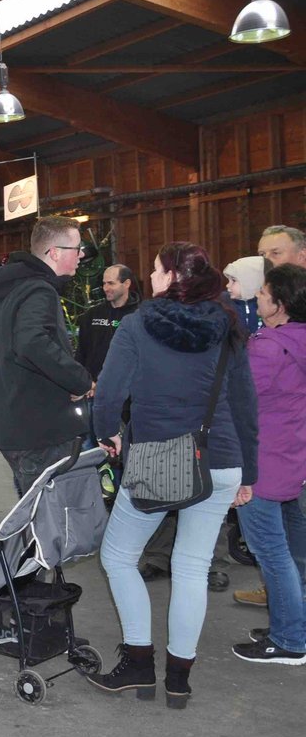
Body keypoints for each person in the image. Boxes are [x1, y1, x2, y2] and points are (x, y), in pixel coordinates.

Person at [87, 242, 257, 709]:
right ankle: (179, 679)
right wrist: (250, 472)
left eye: (157, 271)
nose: (151, 278)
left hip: (156, 460)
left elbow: (108, 395)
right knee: (192, 568)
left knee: (119, 557)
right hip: (220, 459)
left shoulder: (138, 324)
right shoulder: (227, 325)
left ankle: (139, 662)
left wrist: (107, 436)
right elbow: (245, 404)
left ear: (172, 278)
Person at [227, 264, 306, 665]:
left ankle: (290, 640)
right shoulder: (298, 339)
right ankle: (294, 623)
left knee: (270, 553)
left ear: (280, 303)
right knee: (291, 552)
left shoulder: (269, 347)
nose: (257, 298)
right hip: (292, 456)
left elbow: (238, 397)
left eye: (263, 294)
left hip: (262, 462)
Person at [0, 217, 93, 496]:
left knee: (34, 517)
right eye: (77, 248)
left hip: (16, 424)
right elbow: (32, 343)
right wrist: (79, 380)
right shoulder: (38, 290)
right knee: (52, 522)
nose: (81, 255)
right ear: (54, 253)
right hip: (40, 430)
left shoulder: (8, 291)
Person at [75, 264, 139, 380]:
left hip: (127, 389)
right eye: (104, 283)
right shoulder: (92, 315)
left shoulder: (140, 316)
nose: (105, 288)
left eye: (111, 283)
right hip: (93, 386)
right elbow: (81, 352)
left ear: (126, 284)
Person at [223, 255, 268, 336]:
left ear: (251, 281)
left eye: (233, 280)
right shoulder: (224, 303)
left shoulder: (268, 304)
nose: (228, 285)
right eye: (228, 280)